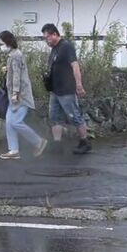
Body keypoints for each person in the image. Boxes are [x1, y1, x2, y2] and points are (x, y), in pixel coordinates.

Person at [42, 24, 92, 155]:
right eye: (45, 38)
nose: (46, 40)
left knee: (74, 115)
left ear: (54, 34)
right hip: (55, 90)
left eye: (47, 37)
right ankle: (57, 144)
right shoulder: (54, 49)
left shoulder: (66, 47)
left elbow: (75, 66)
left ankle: (85, 141)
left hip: (66, 90)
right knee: (54, 117)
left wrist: (79, 85)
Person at [0, 31, 47, 160]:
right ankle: (13, 150)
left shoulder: (16, 55)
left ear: (8, 42)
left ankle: (38, 141)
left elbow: (17, 77)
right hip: (15, 95)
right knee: (9, 122)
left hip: (20, 96)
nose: (1, 47)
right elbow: (15, 73)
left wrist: (15, 94)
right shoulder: (12, 55)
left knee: (16, 122)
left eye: (2, 44)